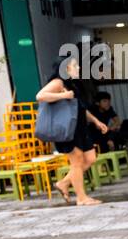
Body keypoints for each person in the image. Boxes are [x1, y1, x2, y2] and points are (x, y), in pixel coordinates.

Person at [36, 55, 108, 206]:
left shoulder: (74, 84)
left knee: (90, 158)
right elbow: (40, 96)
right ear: (65, 68)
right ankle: (81, 198)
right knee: (76, 161)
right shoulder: (58, 82)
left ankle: (64, 183)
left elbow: (79, 108)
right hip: (67, 129)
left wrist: (96, 121)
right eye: (75, 65)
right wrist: (63, 95)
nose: (78, 68)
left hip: (80, 127)